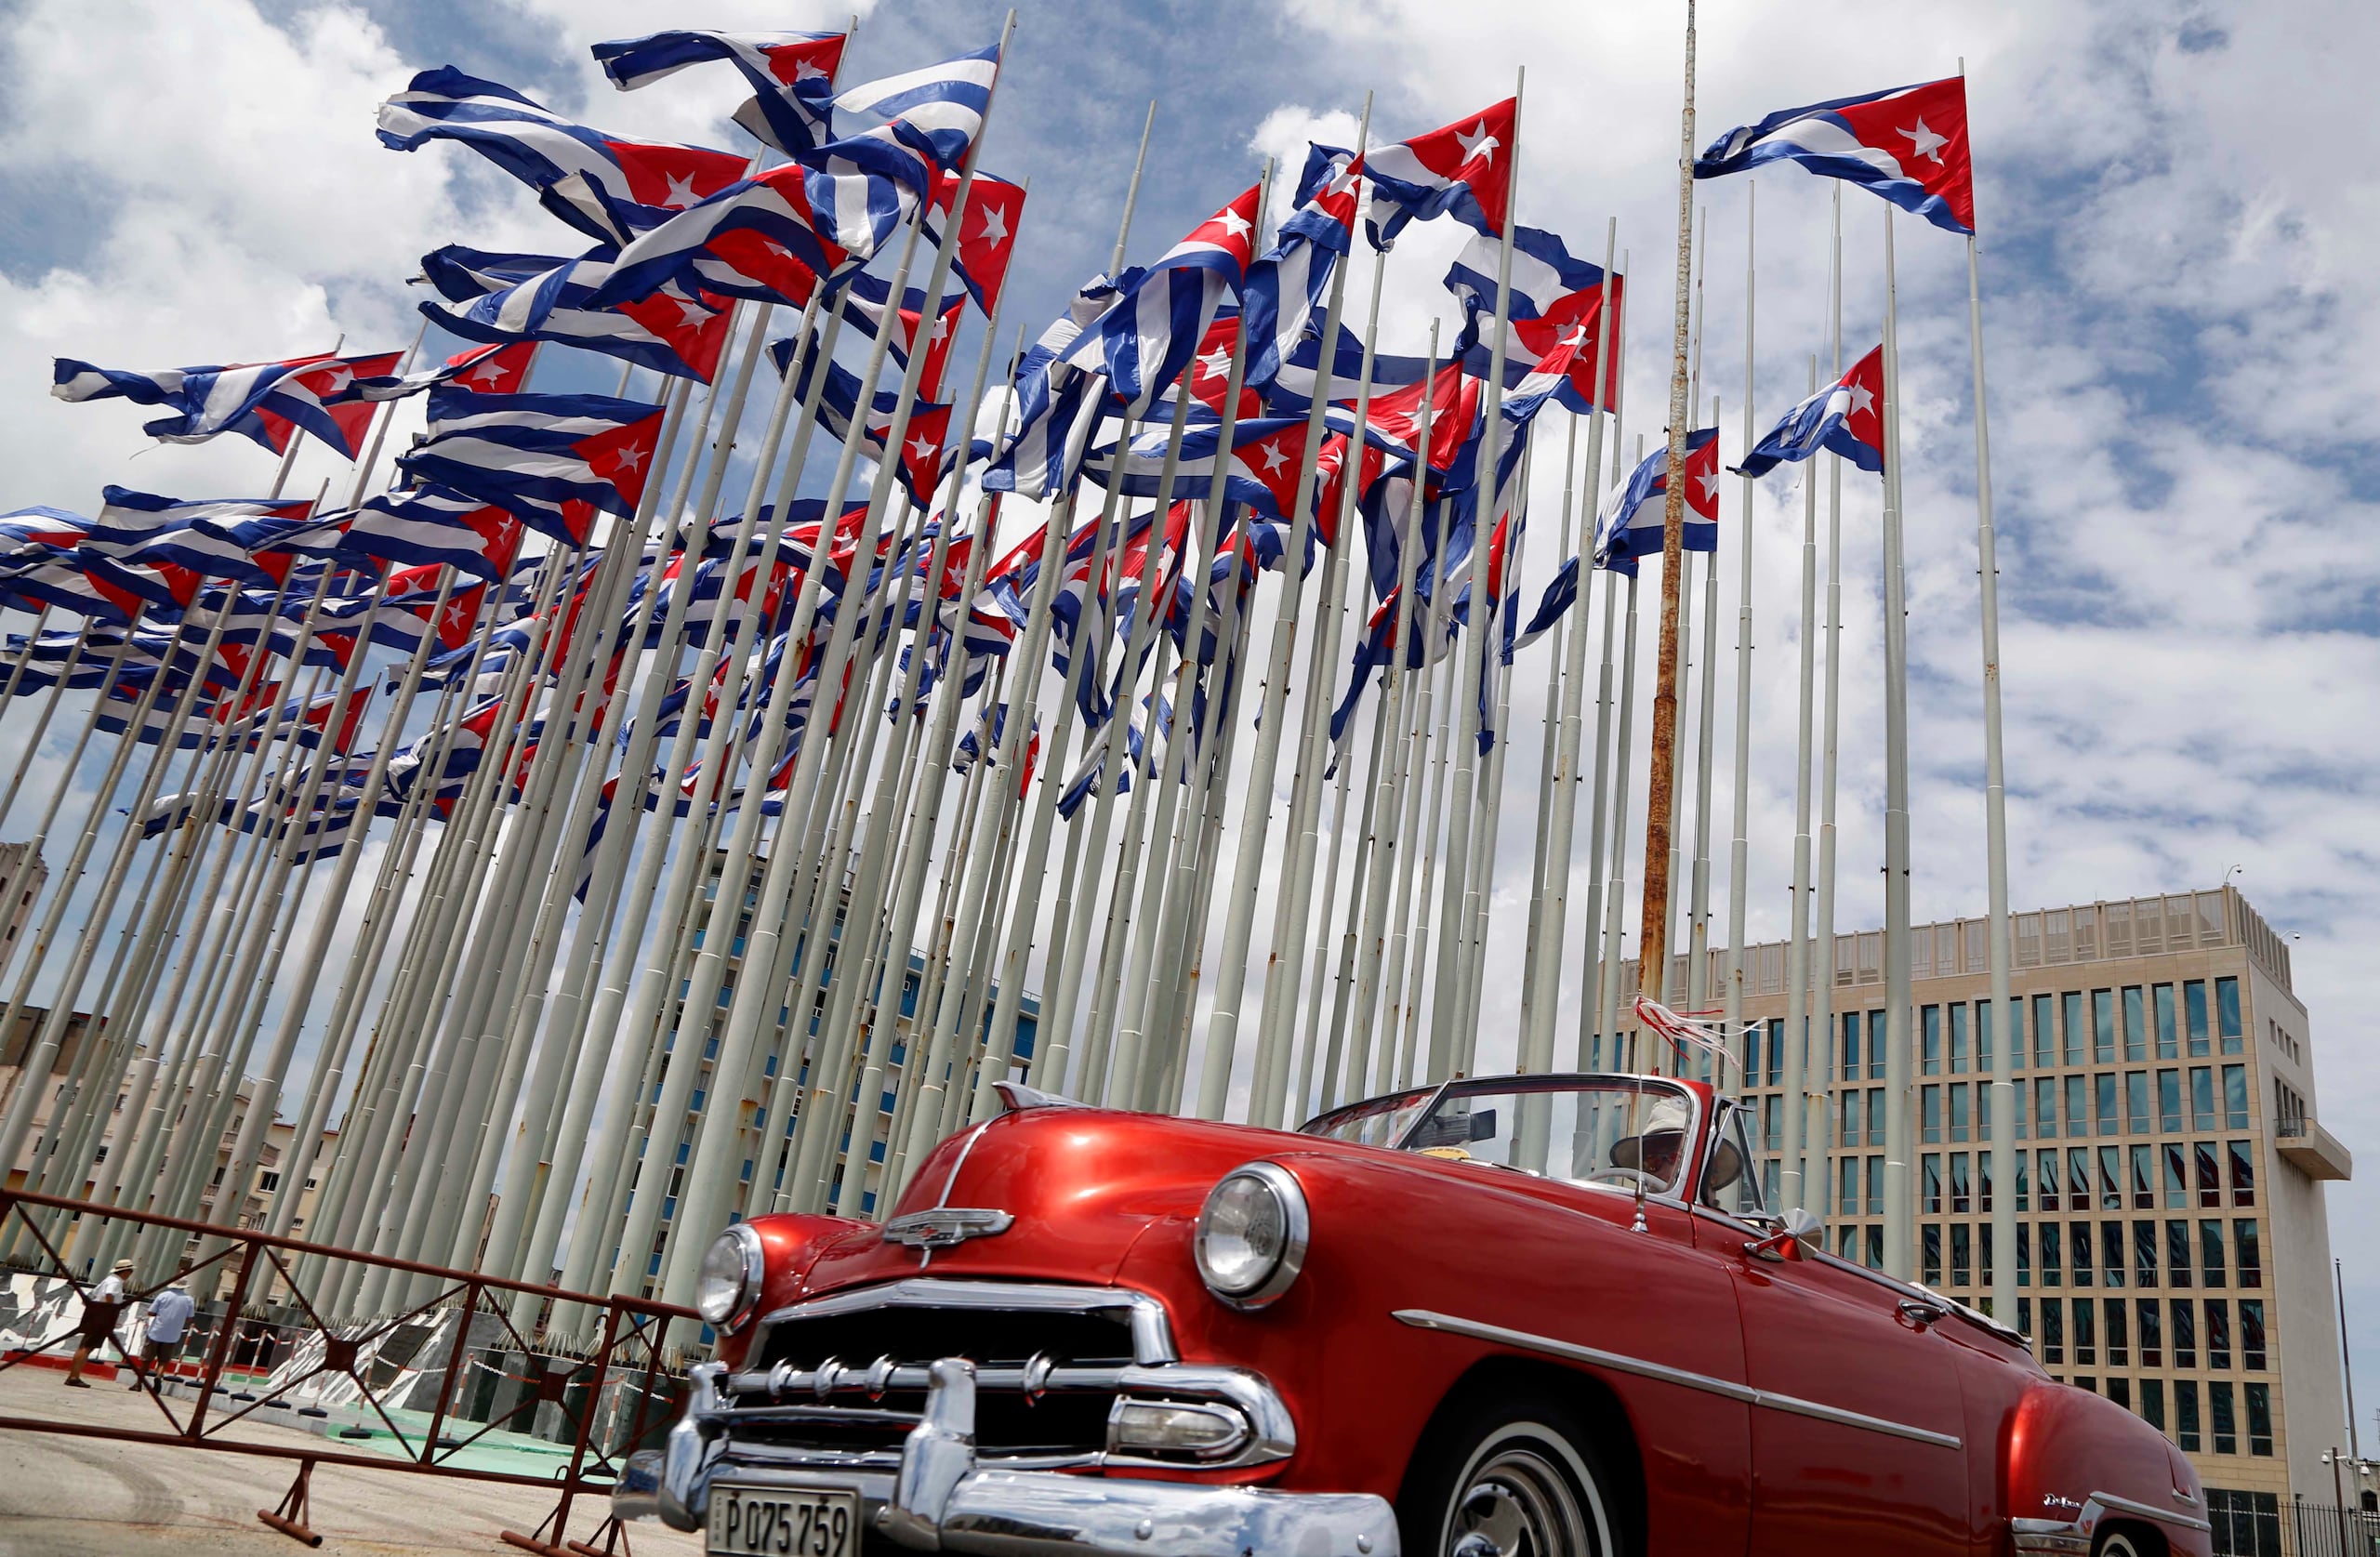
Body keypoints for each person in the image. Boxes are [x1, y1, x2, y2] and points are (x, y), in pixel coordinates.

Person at [62, 1259, 133, 1388]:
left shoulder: (108, 1280)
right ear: (126, 1271)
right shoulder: (115, 1282)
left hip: (95, 1313)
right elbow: (109, 1294)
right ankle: (74, 1376)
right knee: (87, 1347)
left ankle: (74, 1375)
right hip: (103, 1315)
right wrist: (109, 1310)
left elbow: (93, 1294)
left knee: (84, 1345)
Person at [126, 1272, 195, 1392]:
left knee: (146, 1359)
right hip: (173, 1334)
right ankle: (158, 1376)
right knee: (164, 1360)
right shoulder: (189, 1300)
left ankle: (138, 1383)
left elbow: (151, 1312)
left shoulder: (163, 1295)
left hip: (156, 1331)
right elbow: (190, 1318)